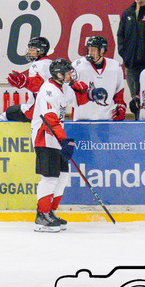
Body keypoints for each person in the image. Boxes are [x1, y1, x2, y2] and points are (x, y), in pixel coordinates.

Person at [31, 59, 91, 233]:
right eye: (67, 72)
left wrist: (92, 94)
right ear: (58, 74)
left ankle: (50, 211)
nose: (70, 75)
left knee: (63, 175)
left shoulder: (63, 88)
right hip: (44, 137)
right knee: (49, 177)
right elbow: (50, 120)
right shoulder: (48, 90)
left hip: (56, 137)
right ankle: (41, 216)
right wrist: (64, 140)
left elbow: (78, 99)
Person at [70, 35, 127, 121]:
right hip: (82, 118)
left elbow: (119, 94)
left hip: (106, 118)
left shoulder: (115, 67)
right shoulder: (78, 66)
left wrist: (121, 107)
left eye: (93, 50)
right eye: (89, 49)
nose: (90, 52)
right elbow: (68, 90)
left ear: (102, 50)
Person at [0, 36, 53, 122]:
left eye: (32, 49)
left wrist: (24, 81)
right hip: (49, 108)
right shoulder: (50, 64)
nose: (29, 51)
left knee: (4, 116)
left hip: (36, 109)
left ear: (41, 51)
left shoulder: (37, 65)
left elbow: (38, 85)